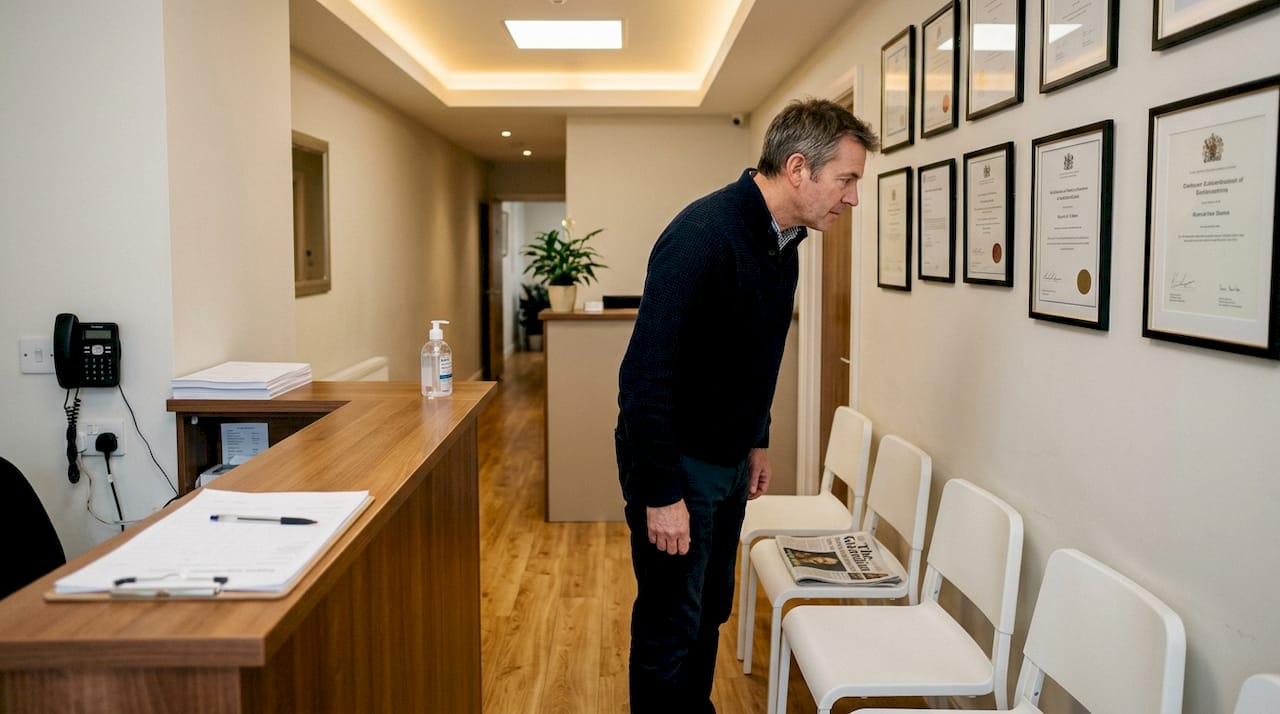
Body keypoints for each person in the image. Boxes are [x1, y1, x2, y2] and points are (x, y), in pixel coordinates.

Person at [615, 98, 879, 713]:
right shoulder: (702, 236)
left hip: (728, 459)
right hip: (678, 464)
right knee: (669, 623)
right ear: (797, 169)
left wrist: (757, 437)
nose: (852, 198)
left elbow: (754, 358)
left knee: (710, 609)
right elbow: (644, 377)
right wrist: (662, 493)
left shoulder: (783, 241)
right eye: (846, 180)